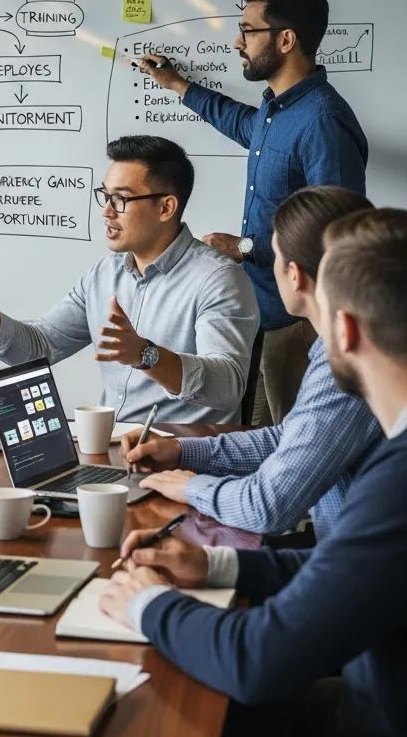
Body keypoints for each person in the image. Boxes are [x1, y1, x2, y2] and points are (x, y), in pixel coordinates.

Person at [100, 208, 407, 737]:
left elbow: (258, 662)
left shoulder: (396, 482)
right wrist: (218, 565)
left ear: (346, 329)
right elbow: (344, 567)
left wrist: (145, 603)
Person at [137, 0, 367, 426]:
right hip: (258, 312)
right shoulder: (274, 110)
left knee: (289, 452)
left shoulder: (323, 120)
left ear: (285, 39)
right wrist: (178, 85)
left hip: (298, 323)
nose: (237, 41)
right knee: (256, 438)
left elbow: (341, 234)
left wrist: (244, 248)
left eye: (248, 30)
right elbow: (242, 124)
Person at [0, 136, 259, 424]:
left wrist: (146, 355)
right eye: (105, 195)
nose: (107, 210)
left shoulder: (218, 279)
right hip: (112, 450)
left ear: (166, 208)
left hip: (186, 458)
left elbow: (227, 384)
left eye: (121, 198)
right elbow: (39, 346)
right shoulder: (104, 275)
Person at [120, 186, 381, 543]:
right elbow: (289, 438)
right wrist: (182, 451)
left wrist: (192, 487)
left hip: (355, 573)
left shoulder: (347, 363)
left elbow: (268, 506)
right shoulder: (335, 346)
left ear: (293, 274)